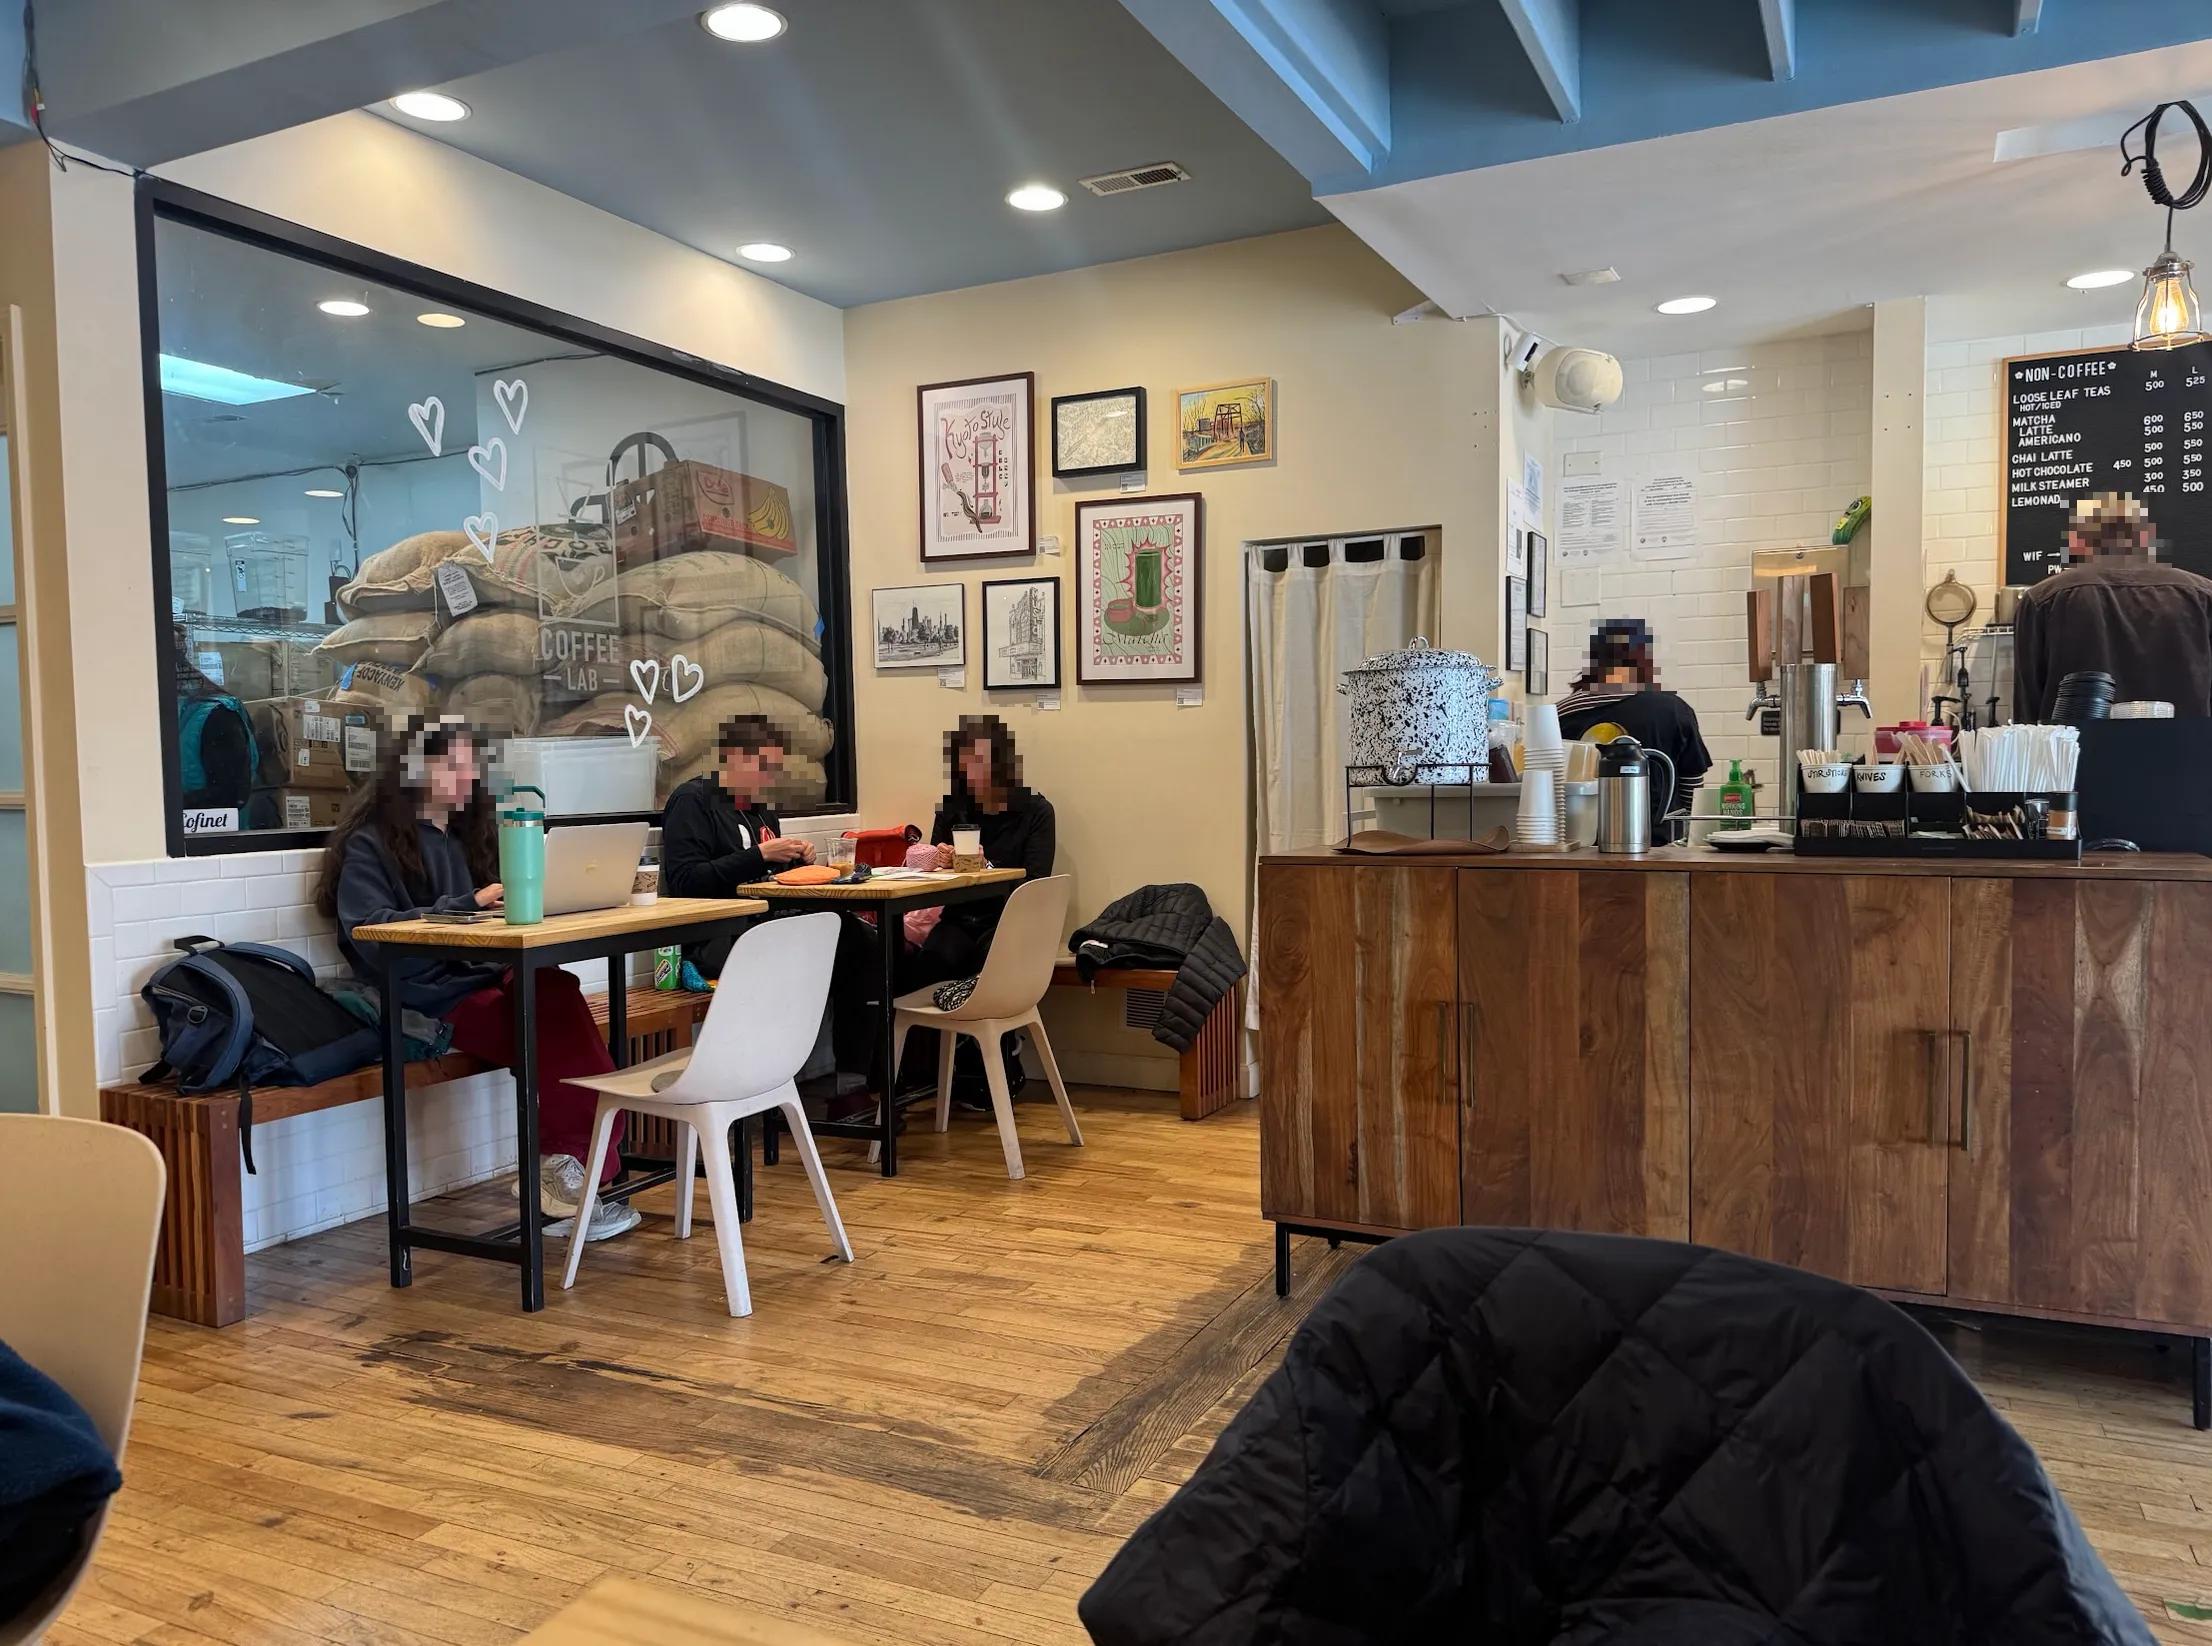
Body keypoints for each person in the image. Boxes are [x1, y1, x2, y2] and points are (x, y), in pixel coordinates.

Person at [314, 717, 638, 1241]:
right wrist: (469, 904)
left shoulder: (472, 834)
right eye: (453, 762)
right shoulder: (370, 845)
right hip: (426, 997)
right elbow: (369, 932)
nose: (467, 774)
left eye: (471, 762)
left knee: (555, 990)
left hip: (485, 974)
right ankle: (570, 1173)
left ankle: (567, 1169)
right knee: (550, 1023)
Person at [2013, 491, 2212, 721]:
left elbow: (2027, 710)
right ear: (2146, 538)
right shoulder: (2203, 595)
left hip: (2078, 754)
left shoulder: (2043, 599)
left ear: (2077, 541)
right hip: (2187, 753)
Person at [660, 713, 816, 981]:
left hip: (767, 922)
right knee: (833, 947)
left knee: (840, 931)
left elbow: (770, 880)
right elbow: (685, 881)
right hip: (718, 934)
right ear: (733, 758)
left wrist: (798, 862)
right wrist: (759, 855)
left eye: (776, 769)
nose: (770, 778)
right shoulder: (693, 800)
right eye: (764, 767)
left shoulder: (761, 809)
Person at [1553, 617, 1711, 837]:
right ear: (1644, 658)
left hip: (1580, 842)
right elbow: (1692, 786)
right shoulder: (1672, 709)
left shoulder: (1558, 714)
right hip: (1660, 845)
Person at [171, 624, 256, 815]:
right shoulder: (157, 714)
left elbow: (230, 795)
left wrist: (160, 803)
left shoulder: (216, 715)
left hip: (213, 838)